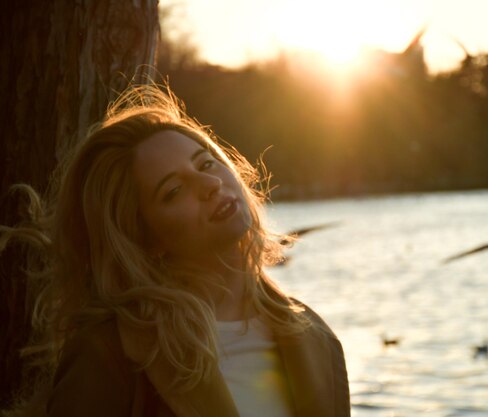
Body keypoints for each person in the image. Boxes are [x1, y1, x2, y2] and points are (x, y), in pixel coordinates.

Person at [1, 85, 350, 417]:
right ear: (143, 238)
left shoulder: (317, 339)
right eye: (174, 190)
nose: (210, 185)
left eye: (206, 164)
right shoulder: (111, 355)